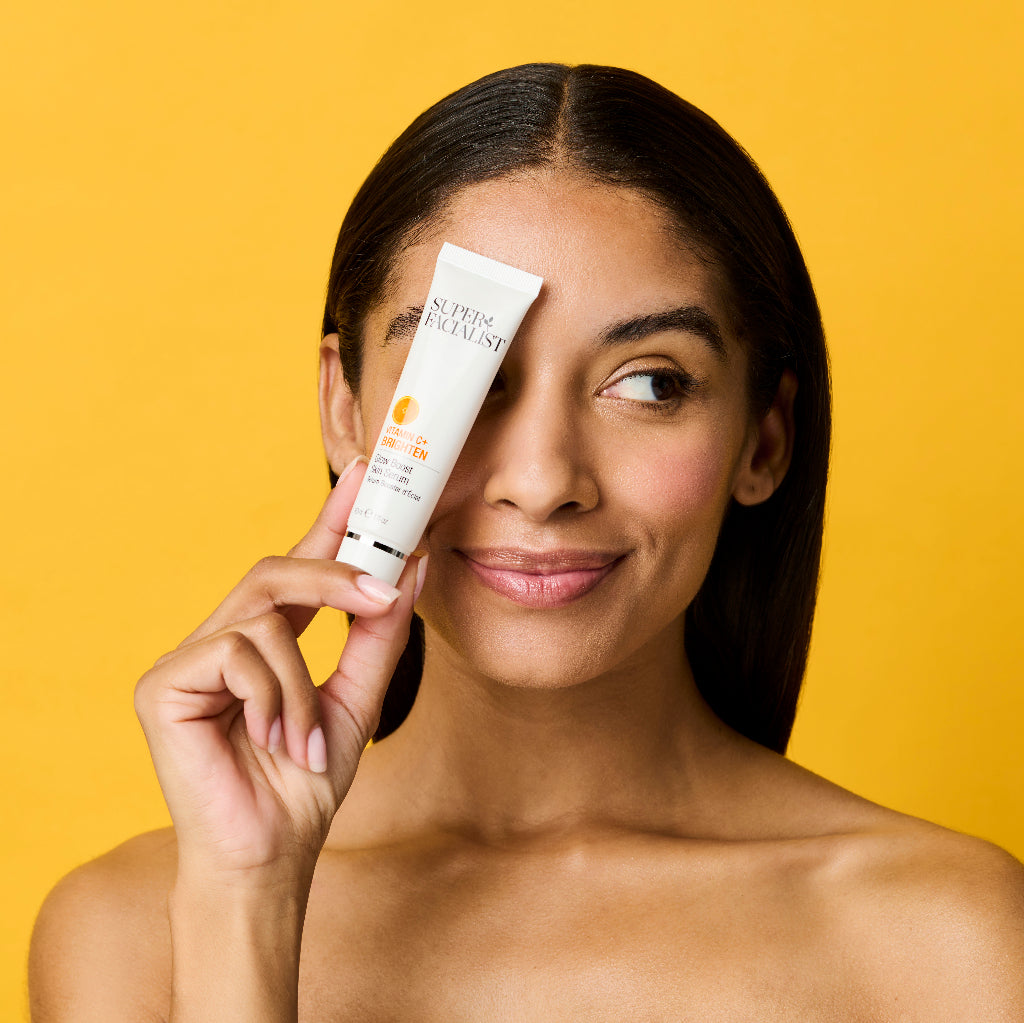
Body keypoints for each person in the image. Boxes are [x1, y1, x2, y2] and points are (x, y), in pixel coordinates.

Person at [29, 64, 1024, 1021]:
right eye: (466, 382)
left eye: (650, 383)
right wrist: (246, 904)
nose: (543, 482)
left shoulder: (951, 940)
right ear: (345, 412)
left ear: (762, 442)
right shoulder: (136, 934)